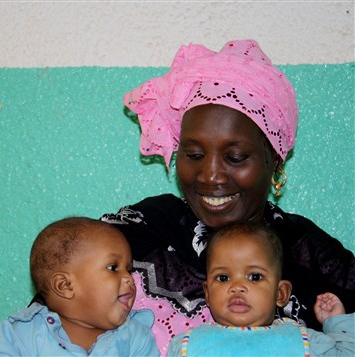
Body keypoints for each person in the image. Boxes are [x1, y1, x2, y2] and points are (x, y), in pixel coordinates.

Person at [99, 39, 355, 355]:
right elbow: (57, 315)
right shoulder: (142, 230)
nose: (210, 175)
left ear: (274, 161)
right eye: (193, 154)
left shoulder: (310, 255)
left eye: (234, 157)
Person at [167, 222, 354, 356]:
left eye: (254, 277)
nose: (237, 287)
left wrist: (336, 322)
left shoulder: (303, 340)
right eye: (223, 278)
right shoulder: (186, 345)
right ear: (207, 294)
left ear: (281, 293)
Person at [0, 217, 159, 356]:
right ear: (65, 286)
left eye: (128, 270)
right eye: (113, 268)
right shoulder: (23, 335)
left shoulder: (135, 338)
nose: (129, 278)